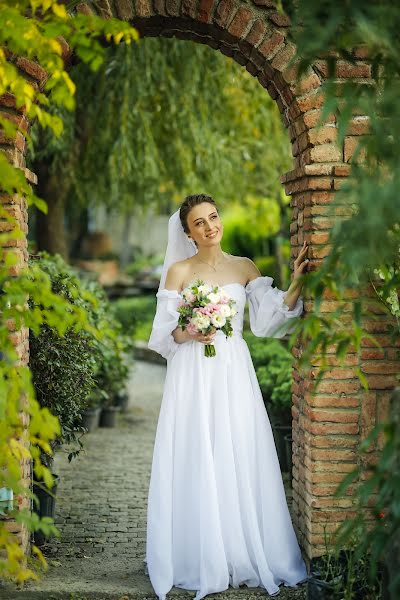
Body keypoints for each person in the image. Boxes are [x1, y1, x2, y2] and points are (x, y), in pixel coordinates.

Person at [145, 194, 309, 600]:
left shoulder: (244, 267)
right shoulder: (178, 271)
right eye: (198, 223)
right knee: (198, 451)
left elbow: (269, 321)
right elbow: (164, 336)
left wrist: (299, 281)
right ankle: (199, 554)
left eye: (213, 217)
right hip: (192, 373)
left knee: (237, 447)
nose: (209, 226)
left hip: (233, 369)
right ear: (188, 232)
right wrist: (191, 331)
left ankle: (242, 548)